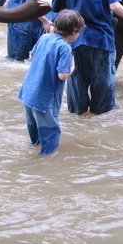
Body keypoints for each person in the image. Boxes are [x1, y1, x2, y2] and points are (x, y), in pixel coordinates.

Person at [17, 9, 85, 156]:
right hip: (45, 98)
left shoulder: (45, 37)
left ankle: (34, 150)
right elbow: (62, 75)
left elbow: (31, 57)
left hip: (28, 93)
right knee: (51, 134)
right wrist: (72, 66)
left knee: (35, 135)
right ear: (74, 31)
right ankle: (46, 162)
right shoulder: (65, 47)